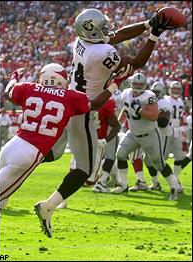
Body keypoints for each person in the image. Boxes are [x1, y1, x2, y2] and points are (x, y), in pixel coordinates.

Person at [34, 8, 175, 238]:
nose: (108, 27)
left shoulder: (81, 41)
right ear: (92, 30)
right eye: (102, 25)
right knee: (85, 171)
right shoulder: (103, 53)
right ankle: (47, 206)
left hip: (71, 102)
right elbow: (136, 62)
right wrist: (154, 35)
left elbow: (117, 35)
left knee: (55, 154)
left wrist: (148, 24)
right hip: (83, 111)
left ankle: (19, 167)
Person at [0, 63, 119, 211]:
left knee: (1, 202)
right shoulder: (70, 97)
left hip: (11, 145)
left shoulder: (27, 87)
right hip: (30, 153)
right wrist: (115, 84)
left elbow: (8, 92)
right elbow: (95, 104)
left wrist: (14, 77)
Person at [114, 73, 178, 200]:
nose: (138, 86)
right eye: (136, 84)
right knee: (120, 154)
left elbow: (154, 116)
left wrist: (140, 110)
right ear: (131, 84)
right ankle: (123, 185)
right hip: (133, 133)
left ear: (145, 85)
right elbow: (126, 109)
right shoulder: (126, 93)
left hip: (150, 135)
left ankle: (174, 188)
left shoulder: (149, 96)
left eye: (140, 84)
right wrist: (118, 123)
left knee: (159, 163)